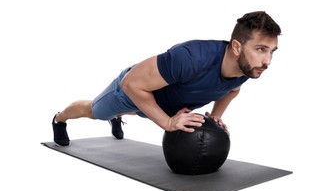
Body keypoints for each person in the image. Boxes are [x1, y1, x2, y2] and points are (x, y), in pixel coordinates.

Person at [52, 11, 281, 146]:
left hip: (158, 102)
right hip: (133, 92)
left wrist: (216, 116)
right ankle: (59, 118)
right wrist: (168, 123)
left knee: (132, 109)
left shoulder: (246, 69)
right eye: (261, 49)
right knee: (94, 111)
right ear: (237, 46)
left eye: (272, 51)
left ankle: (118, 116)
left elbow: (232, 89)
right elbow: (131, 84)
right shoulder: (191, 58)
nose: (267, 61)